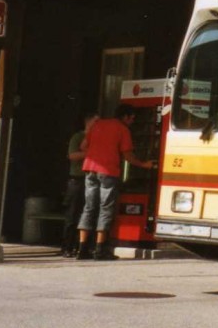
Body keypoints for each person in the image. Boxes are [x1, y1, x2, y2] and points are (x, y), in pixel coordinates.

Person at [77, 103, 154, 260]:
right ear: (125, 117)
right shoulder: (123, 129)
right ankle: (100, 250)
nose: (132, 121)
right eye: (132, 118)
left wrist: (97, 154)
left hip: (90, 169)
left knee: (89, 207)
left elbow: (83, 146)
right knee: (106, 208)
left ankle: (82, 249)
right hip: (108, 171)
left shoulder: (98, 124)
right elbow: (128, 156)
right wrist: (144, 164)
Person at [61, 113, 97, 257]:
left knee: (87, 213)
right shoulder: (78, 137)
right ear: (88, 123)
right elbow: (72, 156)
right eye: (96, 122)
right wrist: (91, 153)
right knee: (73, 215)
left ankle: (82, 246)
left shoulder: (96, 137)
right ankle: (66, 247)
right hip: (77, 179)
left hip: (92, 178)